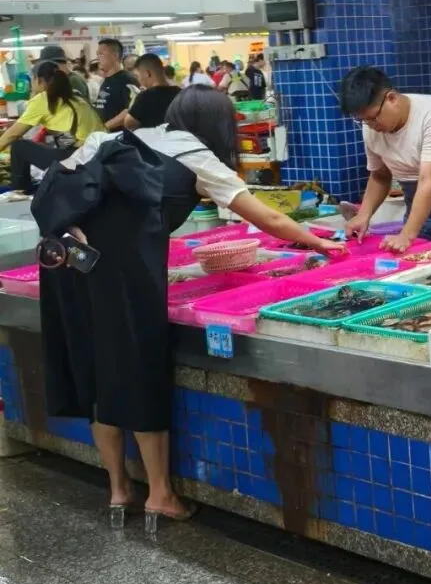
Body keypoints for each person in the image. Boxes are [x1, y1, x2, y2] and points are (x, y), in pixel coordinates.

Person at [36, 87, 341, 524]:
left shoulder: (112, 139)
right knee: (138, 375)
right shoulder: (197, 156)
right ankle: (160, 495)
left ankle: (119, 490)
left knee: (99, 376)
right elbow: (268, 217)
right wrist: (316, 240)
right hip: (125, 276)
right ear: (220, 125)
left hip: (70, 265)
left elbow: (59, 185)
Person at [341, 67, 431, 250]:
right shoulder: (371, 129)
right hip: (421, 212)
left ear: (391, 98)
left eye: (373, 118)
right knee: (423, 268)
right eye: (363, 121)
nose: (371, 126)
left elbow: (428, 180)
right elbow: (380, 176)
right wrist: (364, 214)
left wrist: (407, 234)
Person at [0, 60, 101, 194]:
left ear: (39, 80)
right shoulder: (76, 97)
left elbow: (12, 135)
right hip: (97, 157)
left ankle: (19, 192)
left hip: (76, 161)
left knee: (19, 146)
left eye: (32, 79)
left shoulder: (43, 99)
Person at [93, 38, 139, 131]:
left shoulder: (127, 80)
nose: (98, 57)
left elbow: (130, 110)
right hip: (105, 135)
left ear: (115, 55)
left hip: (119, 136)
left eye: (101, 54)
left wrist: (104, 128)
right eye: (97, 54)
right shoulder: (106, 80)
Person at [124, 53, 178, 130]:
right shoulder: (181, 93)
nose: (139, 80)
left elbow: (128, 123)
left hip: (152, 141)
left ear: (147, 73)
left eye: (138, 76)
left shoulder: (145, 97)